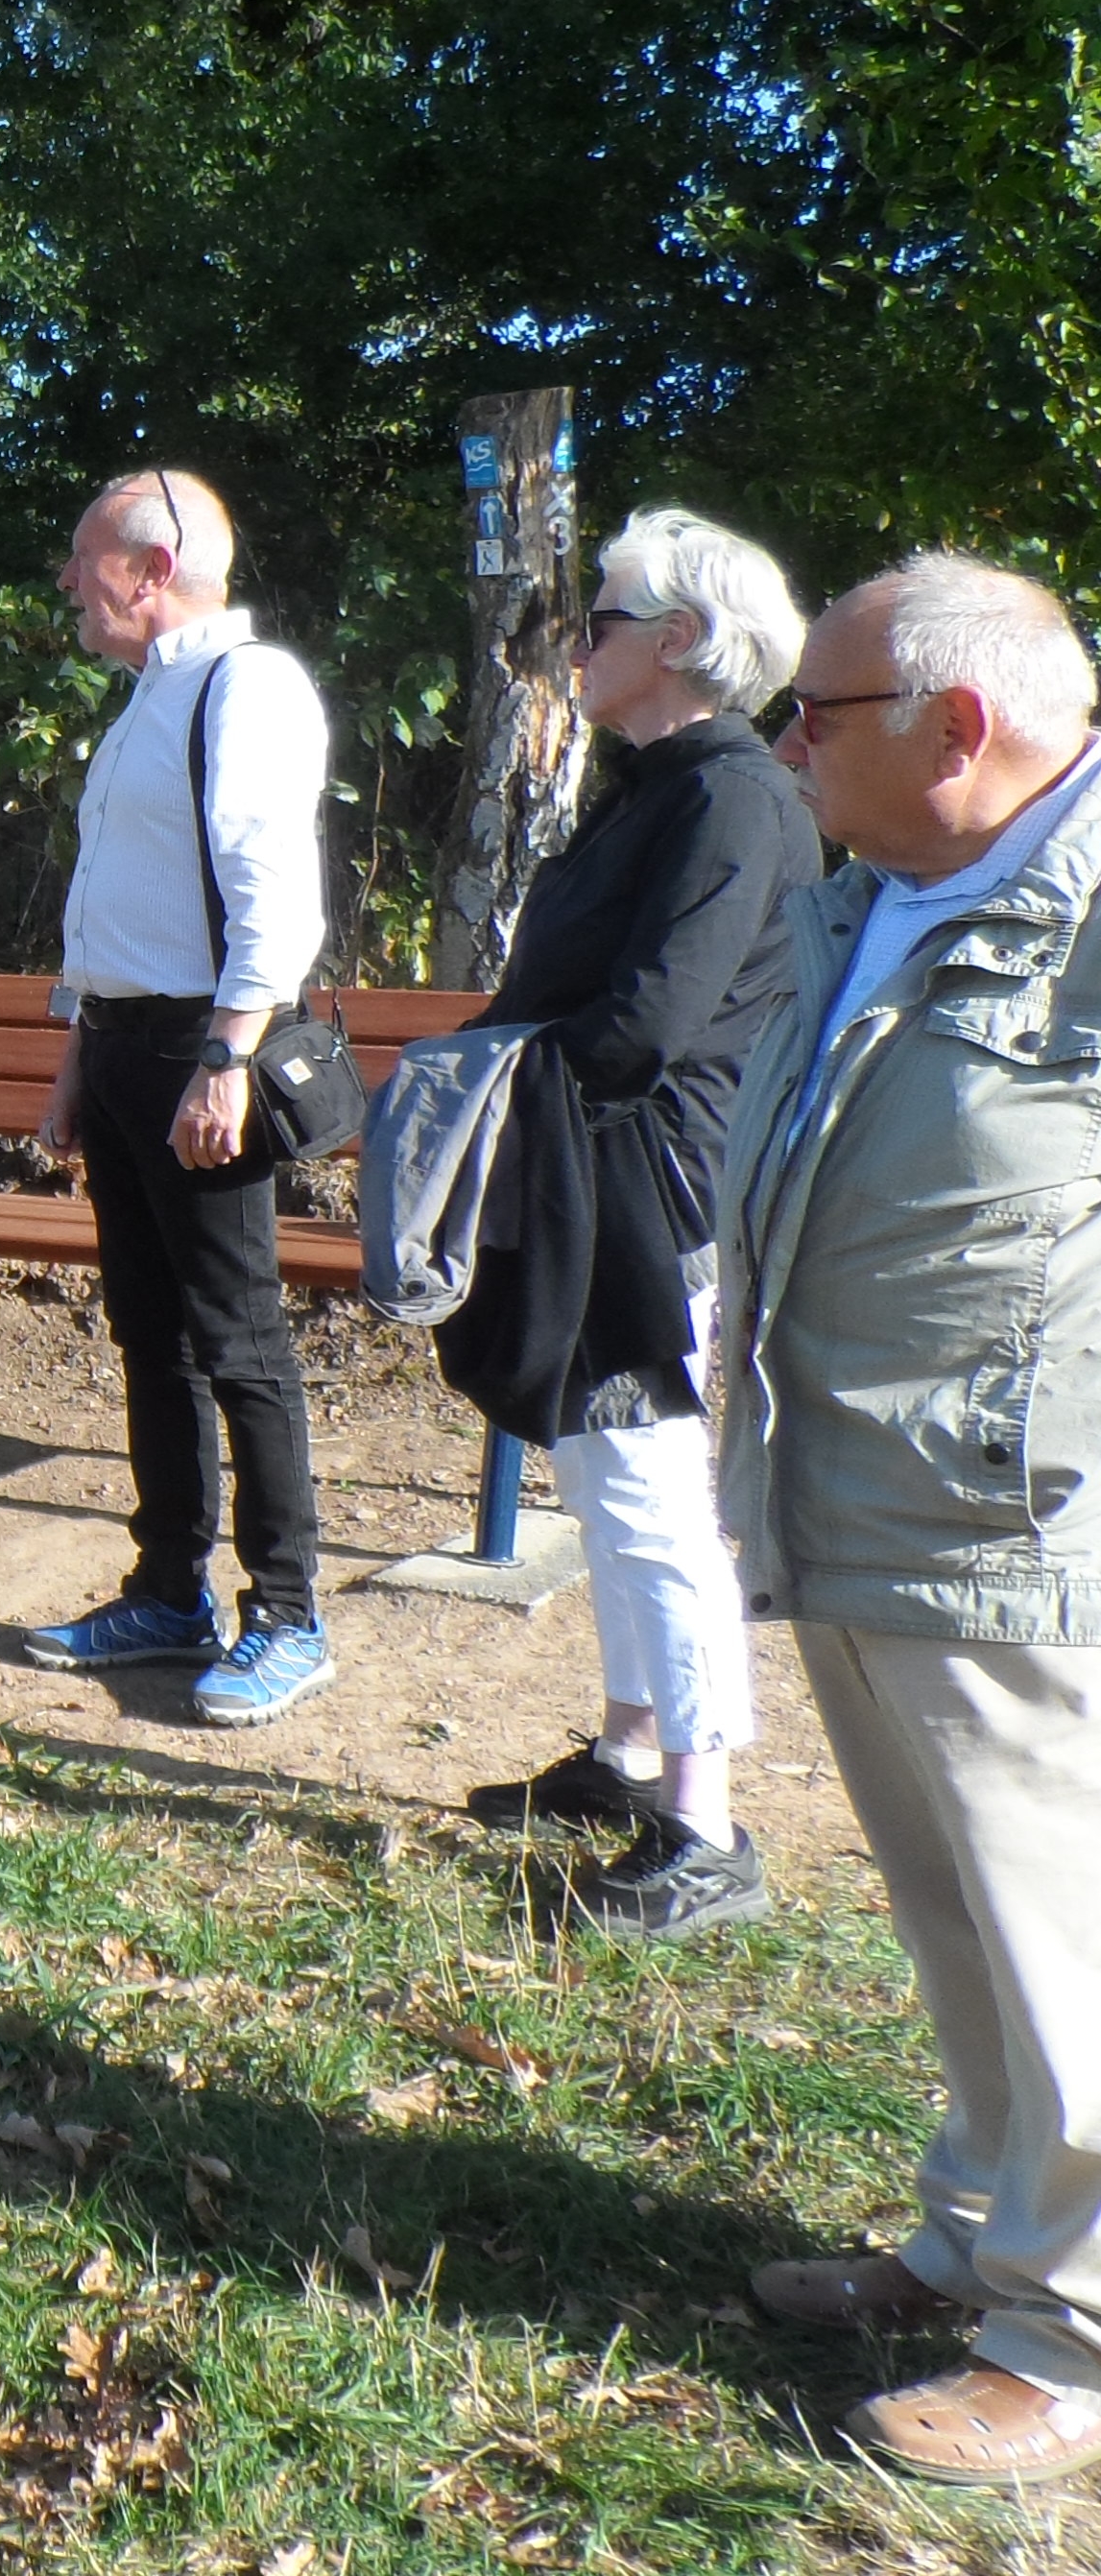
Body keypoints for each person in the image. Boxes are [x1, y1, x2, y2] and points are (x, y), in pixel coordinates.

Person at [715, 550, 1101, 2486]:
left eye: (819, 712)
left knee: (1065, 1924)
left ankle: (1075, 2346)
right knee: (957, 1910)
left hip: (1024, 1521)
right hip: (856, 1484)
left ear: (960, 729)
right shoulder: (879, 885)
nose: (788, 740)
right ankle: (974, 2238)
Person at [433, 513, 820, 1936]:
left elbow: (649, 1022)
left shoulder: (729, 797)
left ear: (677, 643)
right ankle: (628, 1753)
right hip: (593, 1169)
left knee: (651, 1491)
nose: (575, 643)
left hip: (645, 1189)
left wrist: (491, 1072)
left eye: (598, 620)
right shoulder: (656, 785)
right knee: (604, 1476)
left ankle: (705, 1833)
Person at [24, 467, 341, 1725]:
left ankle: (290, 1613)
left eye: (82, 557)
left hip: (200, 1052)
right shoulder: (151, 698)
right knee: (148, 1334)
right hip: (124, 1051)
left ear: (154, 568)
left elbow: (279, 894)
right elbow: (119, 908)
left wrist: (224, 1056)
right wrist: (74, 1061)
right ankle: (168, 1590)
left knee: (236, 1336)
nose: (66, 580)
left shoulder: (240, 686)